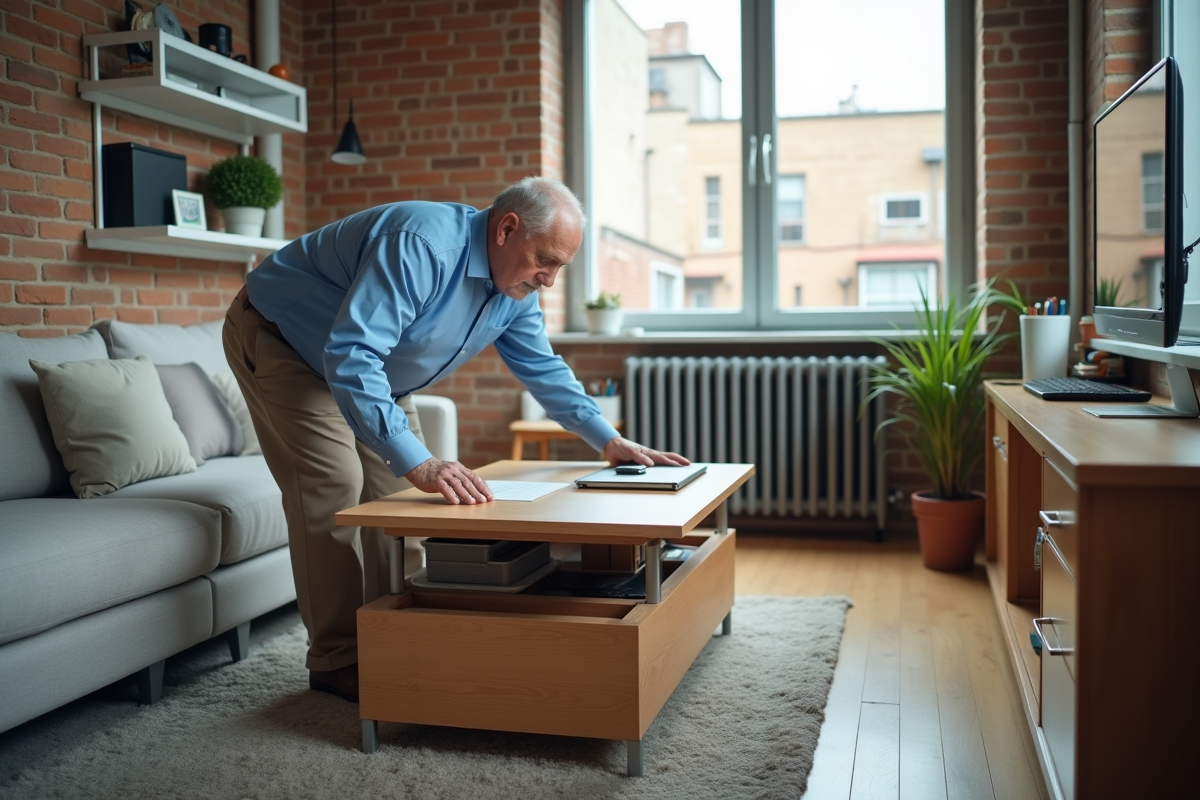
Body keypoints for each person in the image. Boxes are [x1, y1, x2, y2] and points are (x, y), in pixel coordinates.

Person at [223, 176, 688, 703]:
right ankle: (337, 658)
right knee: (334, 486)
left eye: (561, 267)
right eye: (547, 260)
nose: (551, 280)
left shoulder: (516, 289)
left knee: (404, 503)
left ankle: (397, 637)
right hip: (285, 341)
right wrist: (418, 461)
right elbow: (352, 352)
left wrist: (606, 440)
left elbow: (543, 368)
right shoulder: (421, 244)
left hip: (376, 371)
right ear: (506, 229)